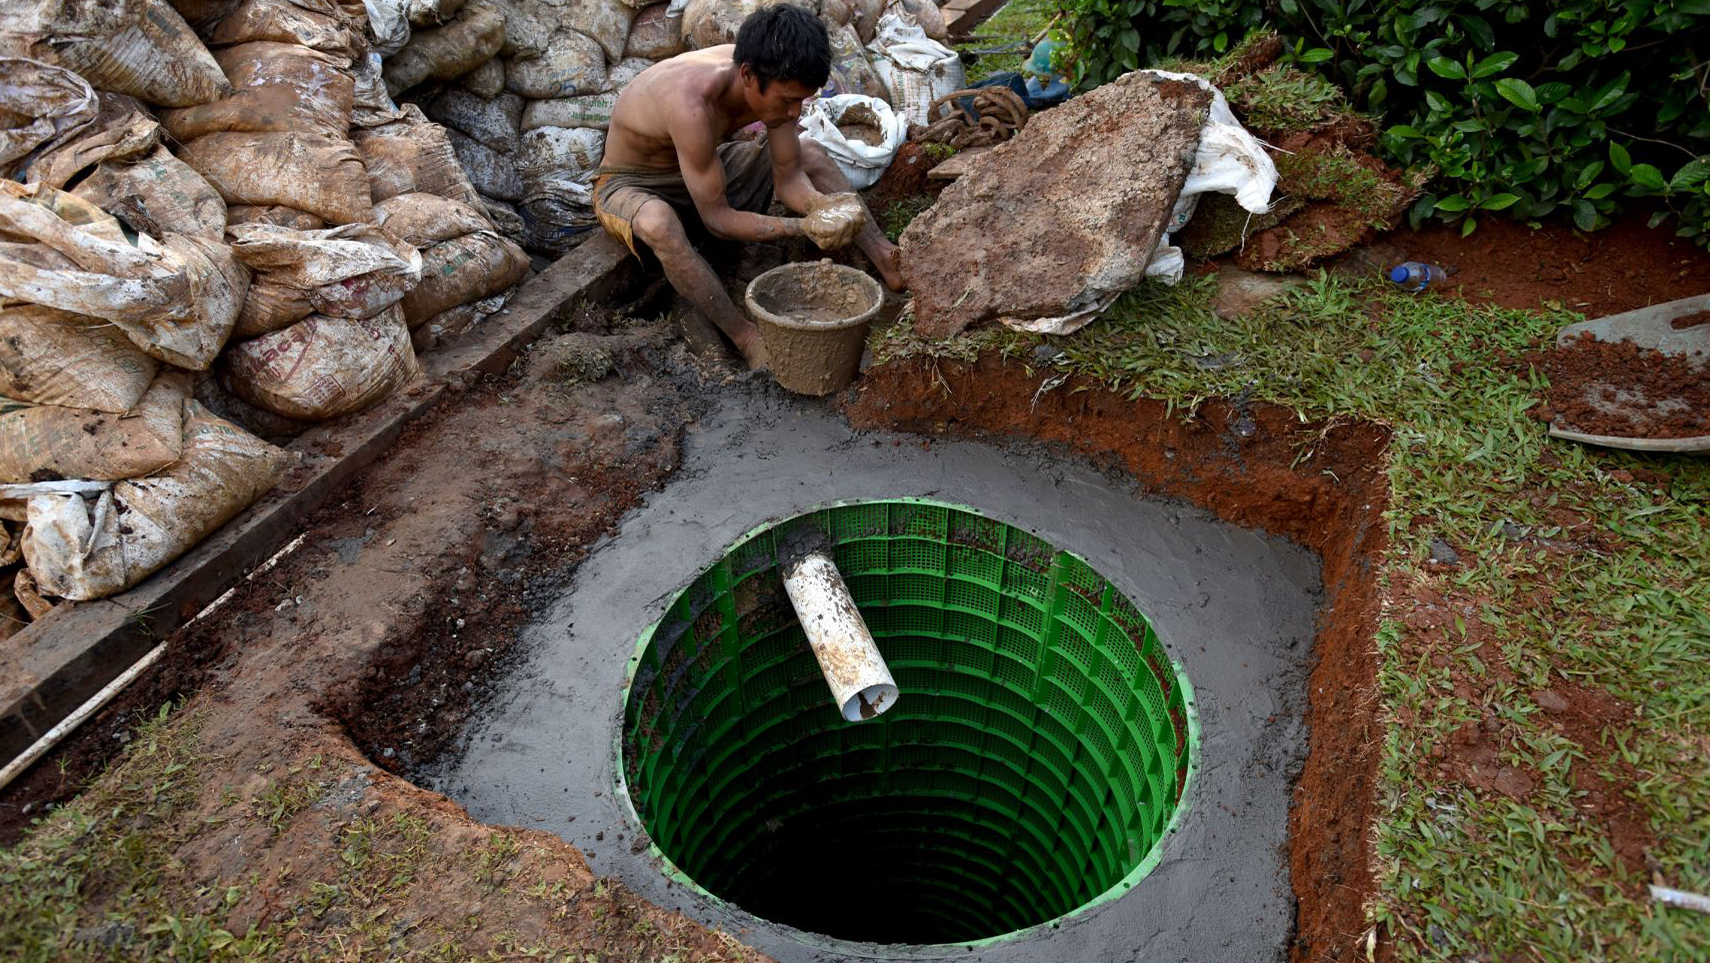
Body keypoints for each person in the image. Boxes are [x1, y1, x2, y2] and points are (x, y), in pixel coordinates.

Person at [592, 4, 904, 367]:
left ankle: (886, 257)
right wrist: (802, 226)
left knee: (811, 152)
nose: (795, 113)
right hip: (634, 183)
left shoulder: (772, 75)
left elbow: (788, 179)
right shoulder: (690, 102)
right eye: (788, 101)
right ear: (748, 76)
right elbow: (717, 220)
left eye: (801, 101)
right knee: (660, 225)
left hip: (702, 167)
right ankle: (746, 337)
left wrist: (823, 207)